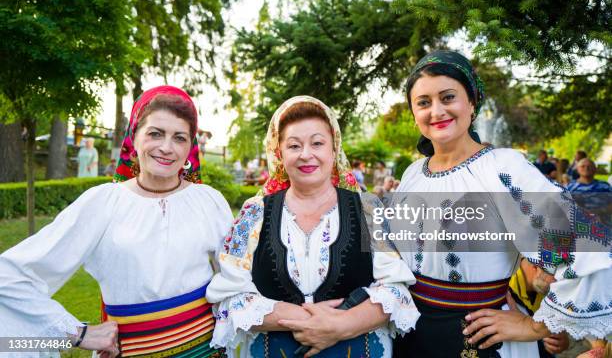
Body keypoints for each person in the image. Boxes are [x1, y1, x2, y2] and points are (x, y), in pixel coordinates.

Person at [390, 50, 611, 358]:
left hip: (475, 336)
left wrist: (536, 327)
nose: (436, 111)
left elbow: (588, 248)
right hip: (409, 333)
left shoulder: (503, 168)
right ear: (414, 113)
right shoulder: (413, 173)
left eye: (448, 97)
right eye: (424, 102)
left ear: (471, 102)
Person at [0, 86, 233, 358]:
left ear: (190, 147)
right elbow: (10, 275)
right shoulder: (102, 203)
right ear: (134, 138)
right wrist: (78, 333)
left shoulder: (208, 201)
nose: (166, 148)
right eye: (155, 134)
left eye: (179, 138)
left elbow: (235, 279)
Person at [206, 96, 420, 357]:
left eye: (317, 143)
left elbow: (396, 289)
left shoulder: (368, 210)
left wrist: (341, 325)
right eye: (294, 145)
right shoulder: (254, 214)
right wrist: (304, 318)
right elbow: (229, 296)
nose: (306, 154)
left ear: (333, 149)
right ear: (280, 153)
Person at [508, 258, 570, 357]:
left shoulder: (543, 288)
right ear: (536, 266)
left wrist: (561, 341)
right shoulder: (504, 292)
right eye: (559, 277)